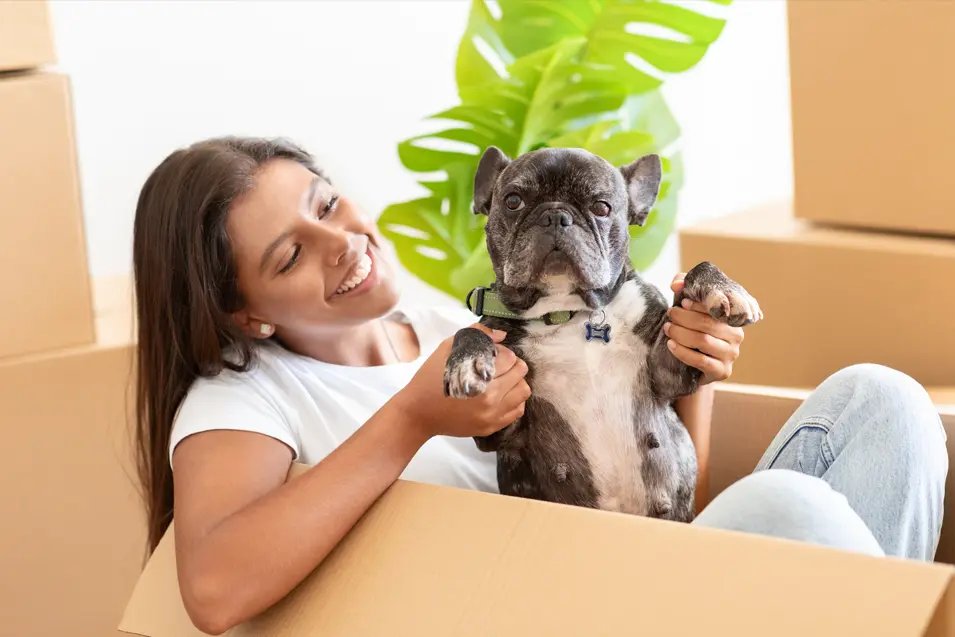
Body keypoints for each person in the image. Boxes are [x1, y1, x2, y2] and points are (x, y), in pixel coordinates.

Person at [132, 136, 947, 635]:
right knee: (787, 510)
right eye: (290, 254)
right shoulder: (246, 395)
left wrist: (687, 365)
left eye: (327, 203)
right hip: (561, 611)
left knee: (886, 401)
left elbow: (670, 492)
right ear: (244, 312)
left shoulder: (449, 317)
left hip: (652, 569)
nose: (341, 242)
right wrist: (411, 418)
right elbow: (213, 589)